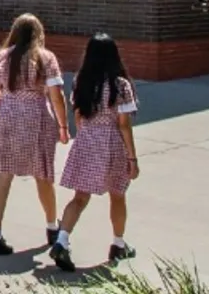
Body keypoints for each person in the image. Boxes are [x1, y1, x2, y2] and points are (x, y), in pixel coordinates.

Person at [0, 13, 71, 257]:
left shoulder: (2, 57)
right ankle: (52, 226)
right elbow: (56, 94)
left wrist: (5, 106)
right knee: (42, 173)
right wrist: (63, 126)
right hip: (37, 115)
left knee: (3, 174)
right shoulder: (45, 57)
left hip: (7, 115)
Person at [52, 34, 141, 271]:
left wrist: (86, 136)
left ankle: (61, 240)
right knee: (117, 194)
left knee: (80, 197)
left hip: (87, 140)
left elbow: (78, 115)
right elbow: (123, 124)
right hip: (111, 143)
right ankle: (118, 244)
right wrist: (132, 157)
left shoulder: (82, 80)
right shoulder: (120, 85)